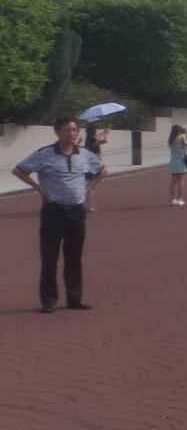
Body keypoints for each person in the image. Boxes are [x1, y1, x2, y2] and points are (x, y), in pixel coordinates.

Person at [11, 115, 107, 313]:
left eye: (74, 130)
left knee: (74, 257)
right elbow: (19, 170)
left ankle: (74, 298)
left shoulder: (85, 154)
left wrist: (90, 187)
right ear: (57, 132)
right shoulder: (45, 154)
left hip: (76, 212)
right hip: (53, 211)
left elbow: (103, 170)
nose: (71, 133)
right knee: (49, 258)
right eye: (67, 130)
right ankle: (49, 300)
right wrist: (39, 189)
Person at [83, 122, 109, 212]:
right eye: (96, 131)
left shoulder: (89, 140)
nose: (97, 132)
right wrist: (105, 134)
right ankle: (90, 187)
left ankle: (88, 207)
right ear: (93, 132)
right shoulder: (93, 141)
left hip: (91, 164)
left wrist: (105, 131)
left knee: (91, 186)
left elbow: (99, 135)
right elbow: (104, 141)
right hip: (94, 164)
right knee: (104, 171)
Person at [168, 124, 187, 206]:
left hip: (173, 161)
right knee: (181, 182)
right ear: (179, 131)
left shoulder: (170, 140)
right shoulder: (181, 139)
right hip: (181, 162)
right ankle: (179, 199)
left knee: (173, 182)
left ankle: (173, 199)